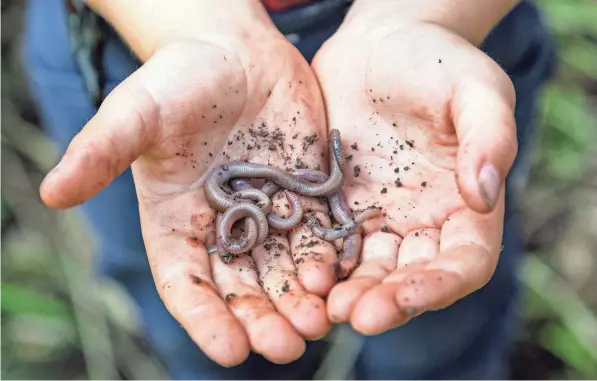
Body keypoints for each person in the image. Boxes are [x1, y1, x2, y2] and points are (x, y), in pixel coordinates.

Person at [22, 0, 557, 379]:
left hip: (436, 41)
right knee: (191, 312)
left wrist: (427, 13)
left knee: (436, 327)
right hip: (135, 39)